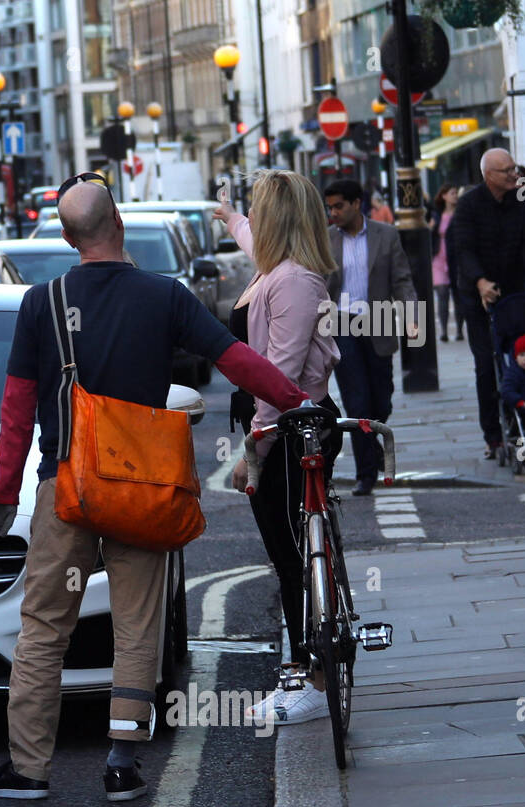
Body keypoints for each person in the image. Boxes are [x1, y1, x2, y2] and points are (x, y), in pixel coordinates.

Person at [0, 173, 315, 801]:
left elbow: (16, 409)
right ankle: (123, 761)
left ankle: (28, 768)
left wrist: (1, 493)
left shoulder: (41, 303)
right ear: (119, 223)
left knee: (45, 626)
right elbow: (235, 359)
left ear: (68, 237)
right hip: (142, 488)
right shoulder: (164, 296)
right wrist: (297, 400)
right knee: (137, 625)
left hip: (66, 488)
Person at [216, 171, 344, 726]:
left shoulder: (292, 282)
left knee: (293, 558)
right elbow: (252, 241)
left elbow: (280, 375)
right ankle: (305, 665)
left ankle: (310, 678)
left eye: (254, 210)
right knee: (290, 554)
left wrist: (257, 449)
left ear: (276, 219)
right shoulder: (276, 270)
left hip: (290, 430)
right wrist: (229, 218)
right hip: (276, 427)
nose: (252, 220)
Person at [452, 148, 525, 460]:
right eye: (508, 170)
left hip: (514, 294)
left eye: (514, 168)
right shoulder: (469, 205)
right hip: (478, 297)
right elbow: (464, 248)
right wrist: (480, 282)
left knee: (523, 355)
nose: (515, 174)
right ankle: (493, 435)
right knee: (487, 365)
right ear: (489, 176)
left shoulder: (522, 202)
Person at [322, 179, 418, 497]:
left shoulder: (386, 234)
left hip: (377, 322)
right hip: (341, 323)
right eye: (330, 206)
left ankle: (372, 445)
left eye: (338, 206)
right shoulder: (326, 239)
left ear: (356, 203)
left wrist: (411, 315)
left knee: (382, 398)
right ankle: (366, 473)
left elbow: (401, 279)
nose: (332, 212)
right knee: (356, 399)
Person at [429, 183, 465, 342]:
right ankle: (443, 330)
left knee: (458, 294)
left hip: (456, 257)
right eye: (452, 193)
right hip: (439, 257)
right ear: (443, 196)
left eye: (456, 193)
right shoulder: (436, 215)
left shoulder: (461, 213)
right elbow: (429, 234)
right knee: (442, 294)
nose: (455, 196)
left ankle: (459, 330)